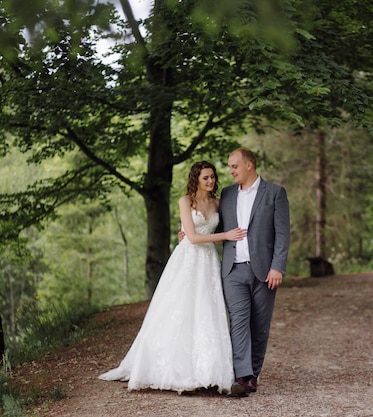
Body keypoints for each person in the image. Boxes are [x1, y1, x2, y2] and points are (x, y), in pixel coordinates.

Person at [98, 161, 247, 394]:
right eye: (206, 178)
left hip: (208, 261)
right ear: (196, 179)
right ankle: (173, 369)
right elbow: (193, 237)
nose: (210, 181)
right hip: (188, 259)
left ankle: (207, 370)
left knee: (206, 311)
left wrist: (226, 236)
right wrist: (222, 234)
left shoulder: (217, 203)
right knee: (178, 310)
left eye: (213, 177)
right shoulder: (185, 201)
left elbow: (217, 238)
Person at [219, 147, 290, 397]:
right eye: (230, 166)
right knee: (238, 322)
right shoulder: (226, 195)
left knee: (259, 325)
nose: (230, 171)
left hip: (264, 271)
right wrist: (186, 230)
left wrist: (277, 266)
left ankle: (253, 376)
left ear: (249, 165)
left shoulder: (275, 193)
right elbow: (208, 219)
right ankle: (242, 376)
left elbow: (282, 234)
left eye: (234, 166)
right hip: (233, 270)